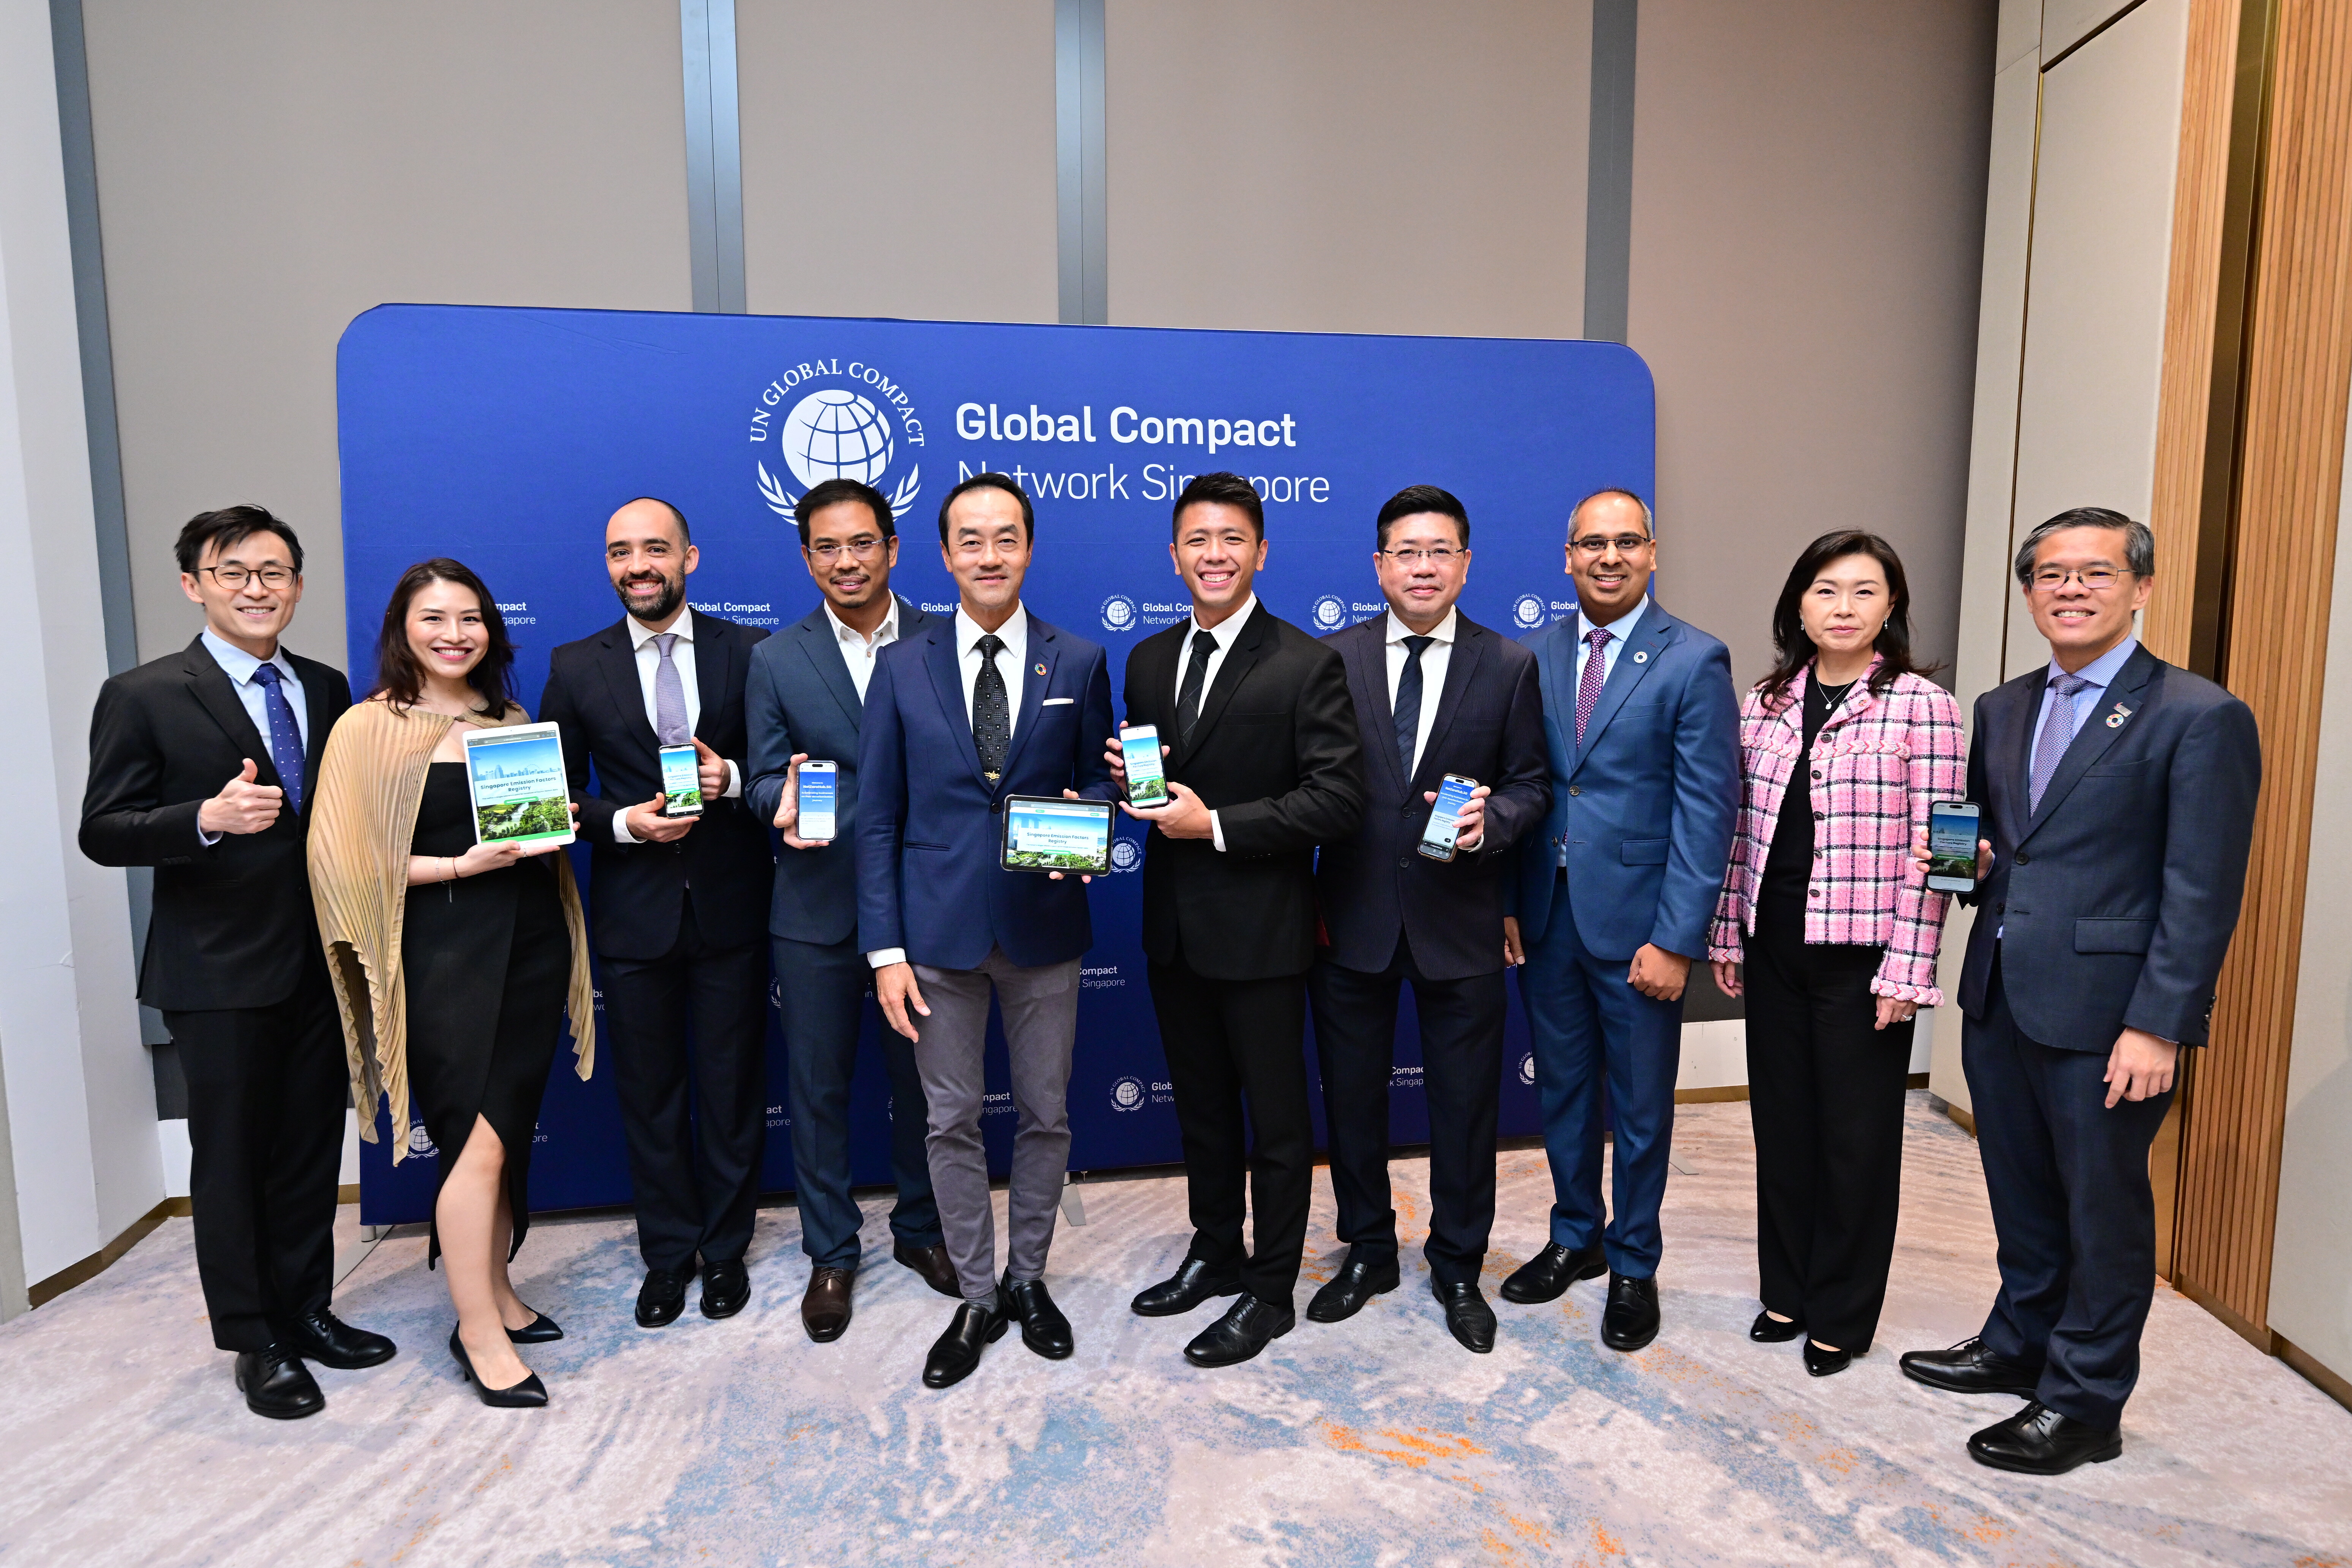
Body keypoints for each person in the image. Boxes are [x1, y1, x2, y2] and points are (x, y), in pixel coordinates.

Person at [1899, 507, 2258, 1474]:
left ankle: (2086, 1401)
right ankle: (2019, 1342)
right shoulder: (2003, 706)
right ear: (2028, 593)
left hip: (2110, 1017)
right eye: (2050, 575)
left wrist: (2159, 1025)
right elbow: (1984, 846)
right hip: (2003, 991)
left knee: (2102, 1209)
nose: (2070, 589)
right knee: (2019, 1191)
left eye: (2095, 573)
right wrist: (1955, 865)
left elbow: (2202, 889)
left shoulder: (2197, 714)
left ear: (2140, 587)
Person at [79, 506, 394, 1420]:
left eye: (275, 573)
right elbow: (103, 831)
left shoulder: (328, 687)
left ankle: (308, 1310)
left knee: (305, 1151)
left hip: (319, 961)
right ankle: (254, 1339)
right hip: (216, 974)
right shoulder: (144, 694)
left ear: (297, 586)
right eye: (235, 572)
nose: (258, 589)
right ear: (195, 584)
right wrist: (203, 822)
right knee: (229, 1162)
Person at [308, 559, 597, 1408]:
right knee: (475, 1142)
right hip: (440, 959)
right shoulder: (369, 727)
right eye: (434, 618)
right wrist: (456, 865)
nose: (454, 634)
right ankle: (476, 1331)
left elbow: (530, 829)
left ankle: (500, 1295)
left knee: (506, 1134)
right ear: (403, 628)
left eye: (470, 618)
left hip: (533, 943)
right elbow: (341, 862)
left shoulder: (509, 718)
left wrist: (555, 822)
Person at [855, 473, 1118, 1389]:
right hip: (937, 938)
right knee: (950, 1119)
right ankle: (976, 1294)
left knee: (1046, 1115)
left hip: (1047, 927)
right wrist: (885, 950)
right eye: (971, 540)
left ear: (1030, 549)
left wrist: (1082, 834)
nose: (990, 555)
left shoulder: (1079, 662)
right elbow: (879, 818)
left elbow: (1097, 782)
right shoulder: (903, 666)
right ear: (944, 555)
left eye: (1006, 538)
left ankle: (1031, 1278)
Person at [1116, 471, 1366, 1369]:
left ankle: (1270, 1289)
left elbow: (1337, 801)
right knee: (1204, 1113)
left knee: (1279, 1123)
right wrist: (1135, 788)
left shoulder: (1306, 662)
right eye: (1196, 540)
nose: (1212, 555)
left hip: (1261, 931)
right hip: (1173, 930)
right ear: (1173, 555)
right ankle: (1214, 1250)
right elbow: (1160, 783)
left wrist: (1213, 824)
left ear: (1260, 552)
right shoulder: (1145, 661)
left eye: (1231, 539)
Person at [1706, 531, 1963, 1377]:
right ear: (1799, 606)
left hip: (1863, 956)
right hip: (1773, 940)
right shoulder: (1766, 699)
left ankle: (1843, 1313)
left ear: (1891, 606)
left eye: (1863, 592)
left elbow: (1944, 852)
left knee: (1855, 1141)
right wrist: (1725, 932)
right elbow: (1741, 827)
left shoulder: (1923, 706)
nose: (1843, 608)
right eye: (1826, 590)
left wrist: (1910, 967)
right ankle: (1786, 1290)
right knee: (1782, 1127)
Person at [1306, 485, 1549, 1354]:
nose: (1422, 567)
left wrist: (1499, 823)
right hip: (1352, 921)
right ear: (1379, 566)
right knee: (1355, 1104)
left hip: (1463, 921)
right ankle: (1367, 1250)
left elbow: (1532, 786)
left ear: (1466, 565)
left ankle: (1457, 1262)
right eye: (1406, 552)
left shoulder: (1509, 665)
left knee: (1466, 1110)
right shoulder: (1328, 660)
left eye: (1439, 551)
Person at [1502, 487, 1739, 1352]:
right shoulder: (1535, 654)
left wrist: (1679, 940)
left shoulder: (1694, 659)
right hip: (1550, 917)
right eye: (1591, 543)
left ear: (1653, 552)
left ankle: (1635, 1262)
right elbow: (1531, 789)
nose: (1608, 557)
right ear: (1566, 557)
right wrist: (1509, 905)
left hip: (1643, 928)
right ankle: (1577, 1238)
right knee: (1562, 1092)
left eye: (1625, 542)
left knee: (1639, 1107)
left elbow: (1708, 812)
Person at [536, 498, 773, 1328]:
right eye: (620, 552)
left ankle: (726, 1251)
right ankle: (669, 1256)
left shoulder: (750, 652)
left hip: (735, 909)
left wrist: (734, 780)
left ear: (691, 558)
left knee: (734, 1088)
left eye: (655, 550)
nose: (638, 565)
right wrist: (621, 823)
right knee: (651, 1094)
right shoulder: (574, 665)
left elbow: (784, 768)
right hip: (634, 918)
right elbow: (551, 798)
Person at [745, 477, 958, 1340]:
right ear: (806, 559)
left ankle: (920, 1230)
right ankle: (832, 1253)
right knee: (819, 1089)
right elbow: (759, 778)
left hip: (926, 908)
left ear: (893, 549)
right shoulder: (775, 658)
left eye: (862, 543)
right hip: (817, 906)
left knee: (924, 1088)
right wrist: (777, 802)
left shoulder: (946, 642)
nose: (846, 561)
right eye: (827, 548)